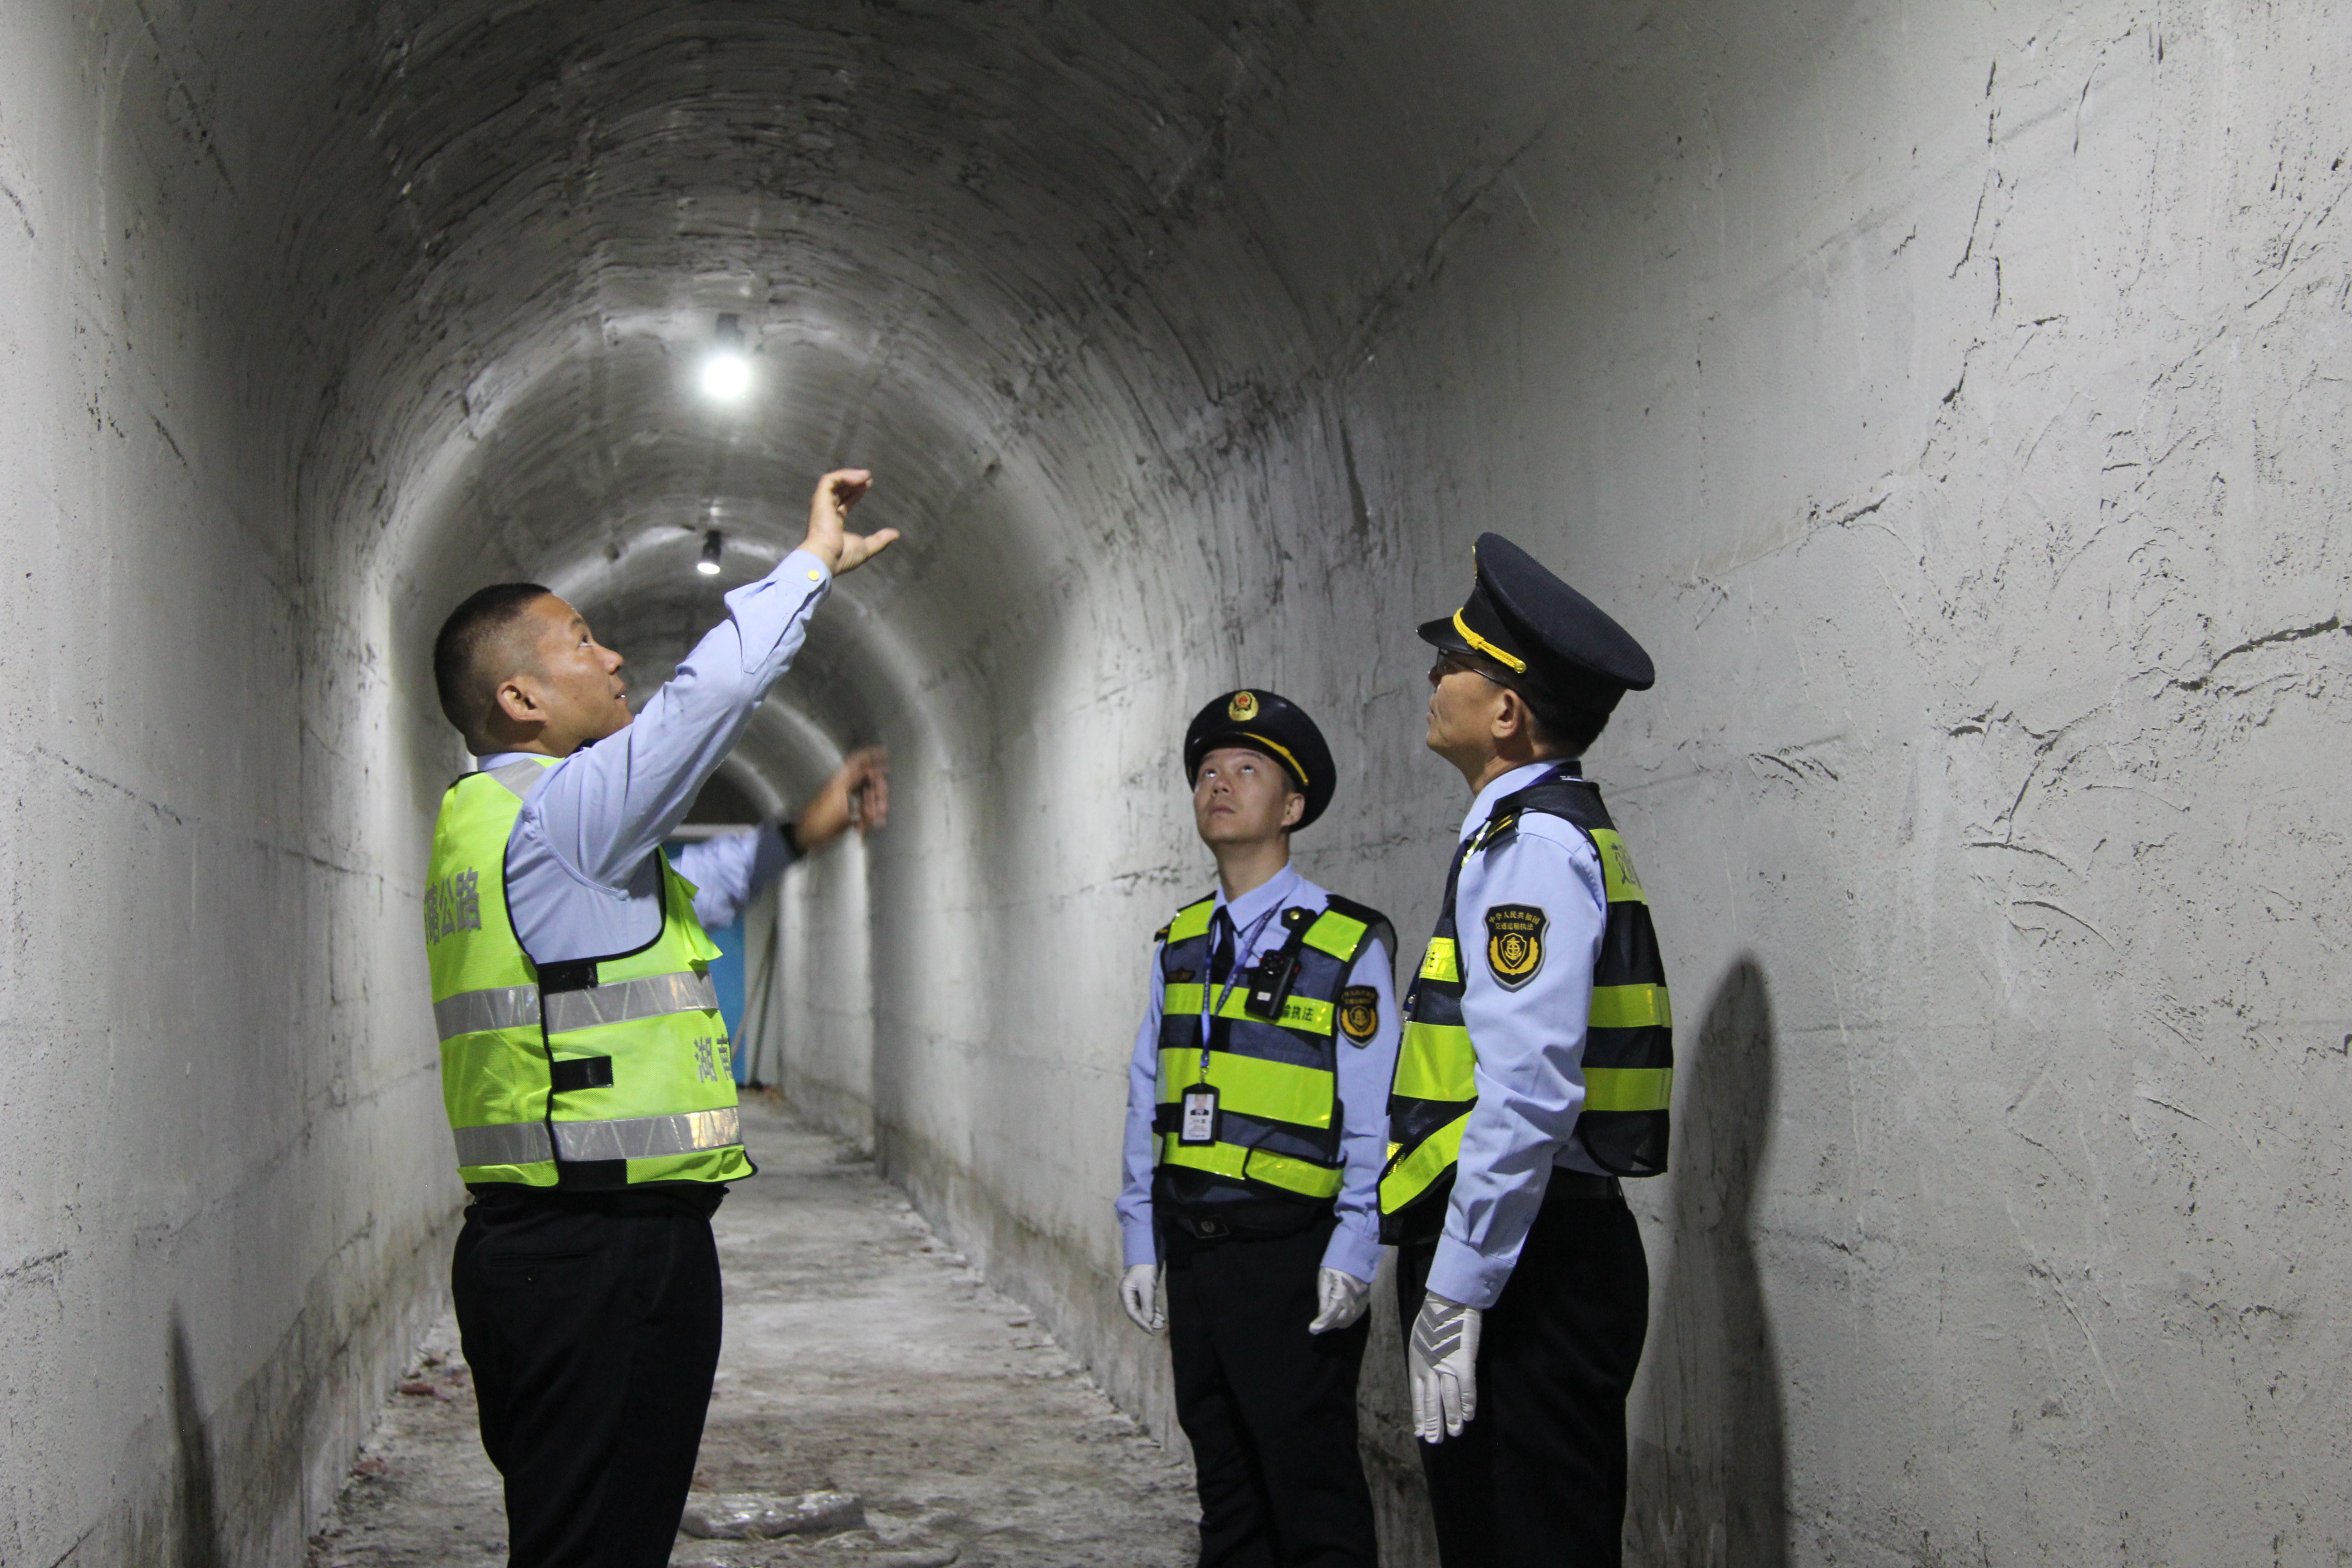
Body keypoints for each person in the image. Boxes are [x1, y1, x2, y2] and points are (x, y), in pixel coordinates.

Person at [420, 469, 897, 1568]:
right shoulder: (562, 817)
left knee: (579, 1536)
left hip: (536, 1249)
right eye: (582, 642)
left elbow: (695, 892)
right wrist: (809, 566)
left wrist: (804, 831)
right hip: (601, 1256)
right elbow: (709, 699)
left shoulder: (492, 826)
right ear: (521, 701)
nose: (612, 658)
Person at [1378, 534, 1675, 1568]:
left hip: (1526, 1264)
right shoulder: (1540, 835)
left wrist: (1459, 1284)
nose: (1435, 680)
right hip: (1541, 1243)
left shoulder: (1531, 851)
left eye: (1453, 663)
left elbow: (1529, 1093)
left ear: (1506, 713)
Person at [1115, 690, 1401, 1568]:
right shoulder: (1180, 942)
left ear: (1292, 808)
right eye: (1208, 771)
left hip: (1291, 1257)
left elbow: (1374, 1113)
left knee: (1312, 1494)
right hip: (1196, 1252)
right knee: (1226, 1491)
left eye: (1247, 770)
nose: (1220, 784)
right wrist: (1139, 1237)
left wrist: (1355, 1247)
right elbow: (1146, 1094)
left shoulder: (1345, 945)